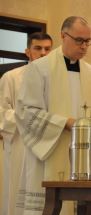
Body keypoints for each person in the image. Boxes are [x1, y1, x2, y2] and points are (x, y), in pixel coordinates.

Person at [14, 16, 91, 215]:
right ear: (63, 36)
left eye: (87, 41)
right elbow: (26, 111)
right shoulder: (39, 69)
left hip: (82, 158)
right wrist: (64, 123)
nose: (84, 46)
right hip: (48, 156)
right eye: (79, 40)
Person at [0, 32, 53, 215]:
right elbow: (2, 113)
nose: (43, 53)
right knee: (17, 194)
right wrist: (29, 116)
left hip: (49, 145)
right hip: (20, 145)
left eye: (47, 49)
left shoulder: (56, 79)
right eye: (38, 48)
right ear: (27, 52)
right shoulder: (11, 77)